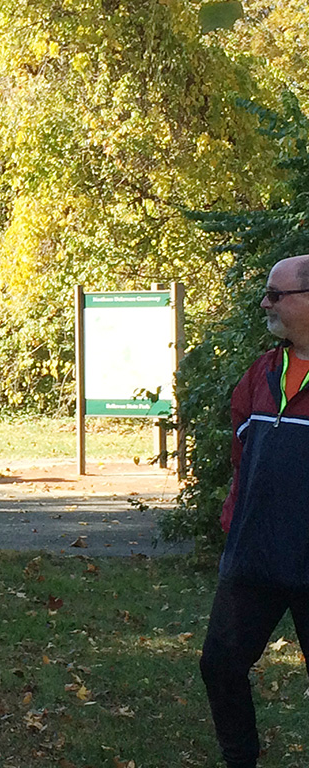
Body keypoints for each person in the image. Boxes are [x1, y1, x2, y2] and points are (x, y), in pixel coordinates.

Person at [200, 253, 309, 768]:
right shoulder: (262, 373)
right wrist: (234, 521)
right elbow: (243, 459)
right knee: (220, 665)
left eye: (276, 294)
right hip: (255, 560)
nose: (264, 303)